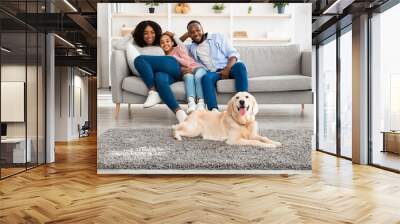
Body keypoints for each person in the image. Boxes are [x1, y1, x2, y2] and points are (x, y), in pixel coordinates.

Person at [182, 20, 249, 111]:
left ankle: (243, 104)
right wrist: (187, 35)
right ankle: (213, 110)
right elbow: (174, 45)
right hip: (215, 73)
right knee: (206, 78)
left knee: (240, 66)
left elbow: (233, 54)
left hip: (230, 67)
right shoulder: (191, 47)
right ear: (189, 35)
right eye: (192, 32)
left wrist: (227, 69)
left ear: (202, 29)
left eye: (198, 30)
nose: (196, 33)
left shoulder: (217, 37)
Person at [132, 20, 187, 122]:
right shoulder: (136, 46)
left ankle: (153, 91)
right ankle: (179, 112)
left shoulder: (160, 42)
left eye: (152, 32)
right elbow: (117, 45)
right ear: (140, 34)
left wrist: (174, 36)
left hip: (172, 65)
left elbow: (181, 46)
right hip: (163, 74)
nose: (150, 36)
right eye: (145, 33)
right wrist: (130, 34)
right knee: (160, 79)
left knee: (139, 59)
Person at [159, 32, 207, 113]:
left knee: (198, 77)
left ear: (172, 42)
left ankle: (200, 103)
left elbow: (187, 63)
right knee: (188, 77)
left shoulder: (178, 49)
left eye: (167, 41)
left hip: (196, 67)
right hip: (185, 73)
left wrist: (173, 57)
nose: (165, 44)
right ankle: (191, 103)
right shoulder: (162, 56)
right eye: (162, 42)